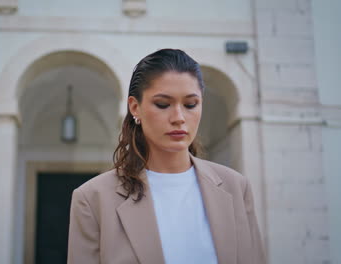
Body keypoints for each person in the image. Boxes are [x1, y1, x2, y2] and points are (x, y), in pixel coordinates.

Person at [67, 49, 266, 264]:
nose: (179, 118)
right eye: (163, 104)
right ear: (135, 107)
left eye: (190, 104)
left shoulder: (235, 187)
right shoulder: (92, 199)